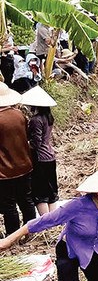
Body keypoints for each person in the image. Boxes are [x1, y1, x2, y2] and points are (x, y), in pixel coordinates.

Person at [0, 83, 36, 236]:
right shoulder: (19, 115)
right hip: (24, 164)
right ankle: (31, 231)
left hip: (4, 170)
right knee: (26, 199)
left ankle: (13, 235)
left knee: (8, 204)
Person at [21, 87, 59, 215]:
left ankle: (45, 221)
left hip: (40, 158)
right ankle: (53, 221)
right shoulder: (49, 117)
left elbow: (36, 143)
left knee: (39, 191)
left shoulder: (35, 120)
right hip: (50, 156)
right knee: (51, 190)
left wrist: (25, 144)